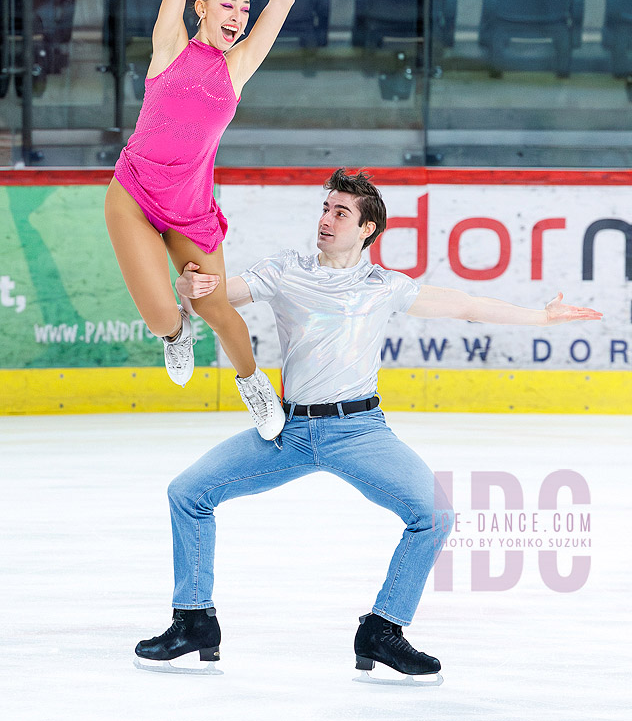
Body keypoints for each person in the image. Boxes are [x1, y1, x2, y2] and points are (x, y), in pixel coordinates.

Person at [133, 169, 603, 682]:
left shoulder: (384, 286)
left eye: (341, 213)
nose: (327, 219)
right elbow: (219, 298)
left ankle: (382, 630)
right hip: (286, 432)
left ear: (367, 231)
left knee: (435, 516)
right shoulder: (286, 270)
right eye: (325, 208)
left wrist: (540, 318)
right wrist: (191, 287)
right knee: (188, 493)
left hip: (360, 432)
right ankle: (195, 621)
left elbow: (466, 305)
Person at [104, 0, 319, 440]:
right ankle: (176, 334)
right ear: (202, 9)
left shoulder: (239, 67)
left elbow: (284, 2)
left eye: (242, 10)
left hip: (192, 210)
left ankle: (254, 386)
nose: (240, 15)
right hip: (135, 194)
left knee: (218, 307)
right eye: (228, 4)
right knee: (163, 316)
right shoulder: (171, 44)